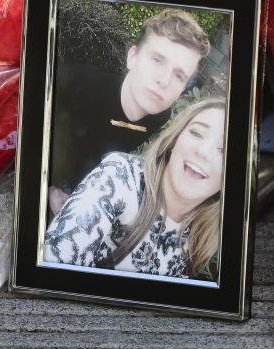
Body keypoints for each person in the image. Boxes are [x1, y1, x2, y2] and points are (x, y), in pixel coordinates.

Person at [48, 9, 210, 214]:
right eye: (157, 60)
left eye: (179, 76)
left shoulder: (160, 115)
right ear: (132, 57)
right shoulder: (77, 87)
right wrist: (50, 187)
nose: (164, 80)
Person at [44, 98, 225, 281]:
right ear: (175, 139)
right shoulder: (120, 178)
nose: (203, 151)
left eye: (224, 150)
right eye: (196, 133)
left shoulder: (200, 240)